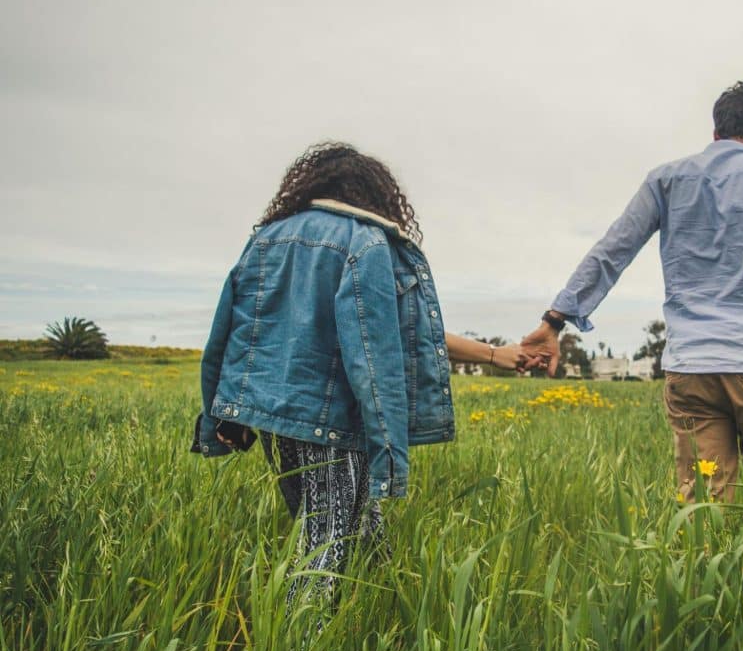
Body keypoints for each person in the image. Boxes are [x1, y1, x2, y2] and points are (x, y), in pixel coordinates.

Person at [191, 142, 534, 605]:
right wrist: (387, 444)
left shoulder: (267, 238)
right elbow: (379, 351)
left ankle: (382, 609)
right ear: (375, 193)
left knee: (358, 527)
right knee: (326, 543)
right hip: (330, 419)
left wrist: (222, 414)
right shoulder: (364, 242)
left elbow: (227, 334)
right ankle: (301, 646)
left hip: (275, 419)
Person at [522, 82, 743, 504]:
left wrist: (554, 321)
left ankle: (708, 571)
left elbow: (613, 250)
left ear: (715, 132)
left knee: (705, 508)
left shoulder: (666, 180)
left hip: (691, 368)